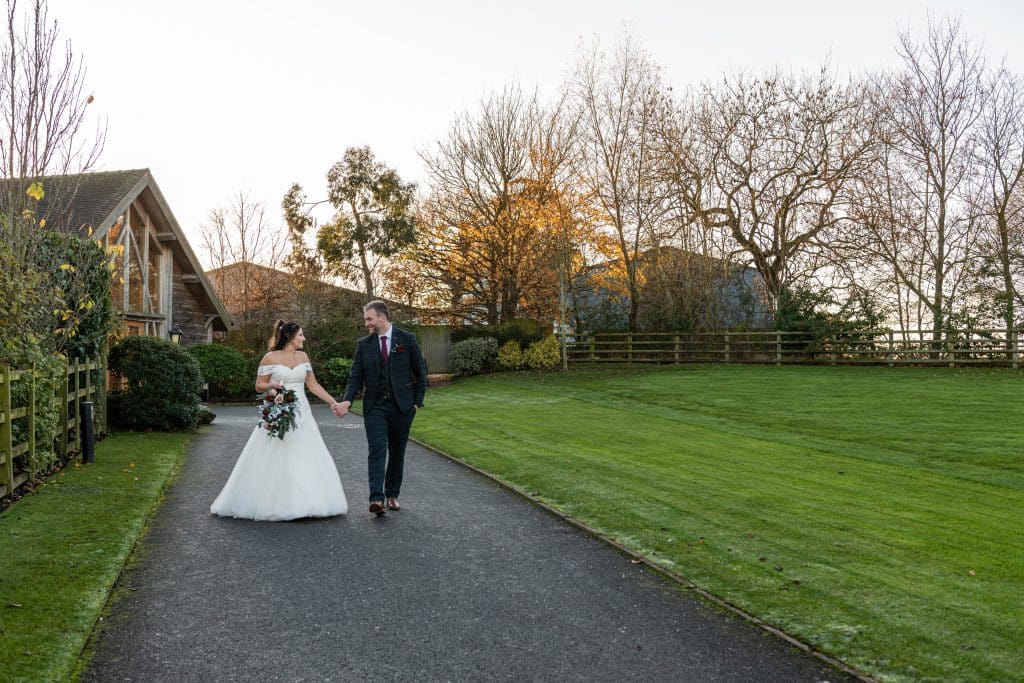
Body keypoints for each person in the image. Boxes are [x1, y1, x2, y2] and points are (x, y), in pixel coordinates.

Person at [211, 320, 348, 521]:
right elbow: (259, 385)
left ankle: (306, 501)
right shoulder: (270, 357)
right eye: (301, 335)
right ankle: (273, 501)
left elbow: (313, 385)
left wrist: (333, 403)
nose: (304, 339)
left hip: (302, 412)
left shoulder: (303, 356)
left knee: (303, 450)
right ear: (290, 337)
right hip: (279, 407)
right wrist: (273, 385)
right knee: (276, 448)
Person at [334, 301, 427, 515]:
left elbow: (421, 373)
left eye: (369, 319)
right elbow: (355, 376)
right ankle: (377, 498)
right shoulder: (364, 344)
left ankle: (393, 493)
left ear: (382, 318)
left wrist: (416, 403)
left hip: (402, 406)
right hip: (374, 405)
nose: (366, 323)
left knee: (397, 451)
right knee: (376, 450)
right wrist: (348, 400)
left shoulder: (407, 339)